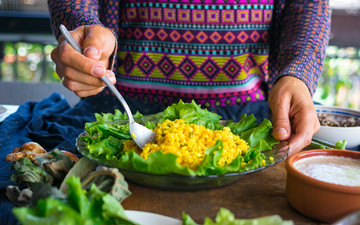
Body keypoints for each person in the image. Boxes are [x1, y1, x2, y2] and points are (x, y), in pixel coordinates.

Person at [48, 0, 331, 157]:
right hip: (119, 115)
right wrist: (81, 26)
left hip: (249, 118)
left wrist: (298, 72)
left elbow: (307, 5)